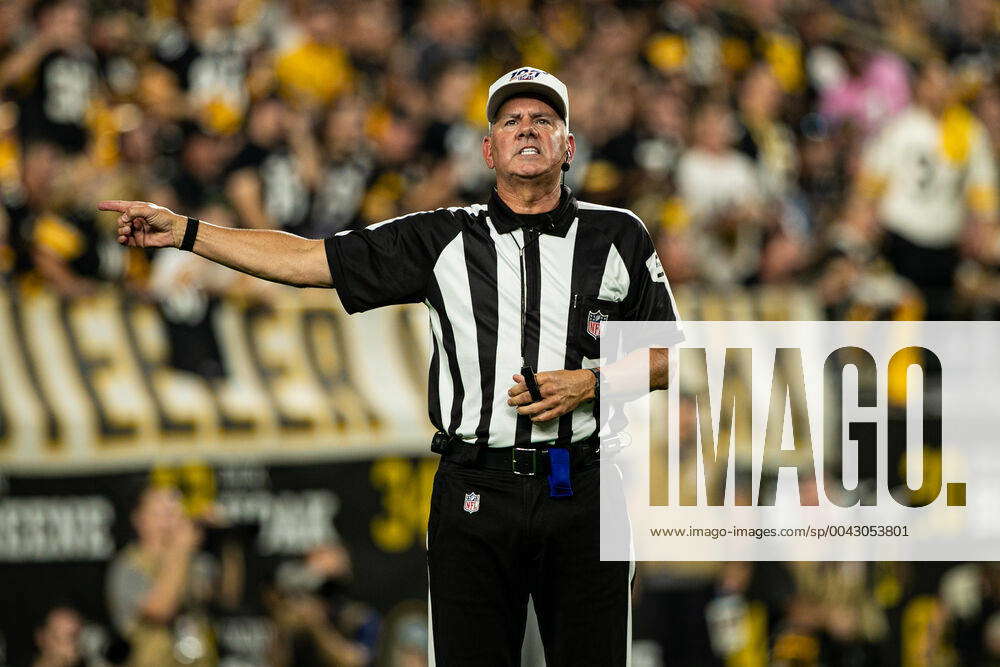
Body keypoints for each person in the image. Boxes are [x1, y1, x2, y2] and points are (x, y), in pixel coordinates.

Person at [98, 66, 681, 665]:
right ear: (489, 149)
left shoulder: (618, 235)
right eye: (511, 121)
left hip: (583, 484)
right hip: (476, 488)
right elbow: (307, 261)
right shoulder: (441, 238)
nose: (527, 130)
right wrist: (189, 232)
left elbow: (674, 358)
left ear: (569, 145)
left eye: (543, 120)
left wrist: (593, 381)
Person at [105, 485, 217, 666]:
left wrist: (227, 543)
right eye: (161, 513)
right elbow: (161, 609)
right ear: (139, 519)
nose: (170, 521)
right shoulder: (128, 566)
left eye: (174, 513)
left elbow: (226, 597)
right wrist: (180, 550)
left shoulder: (193, 560)